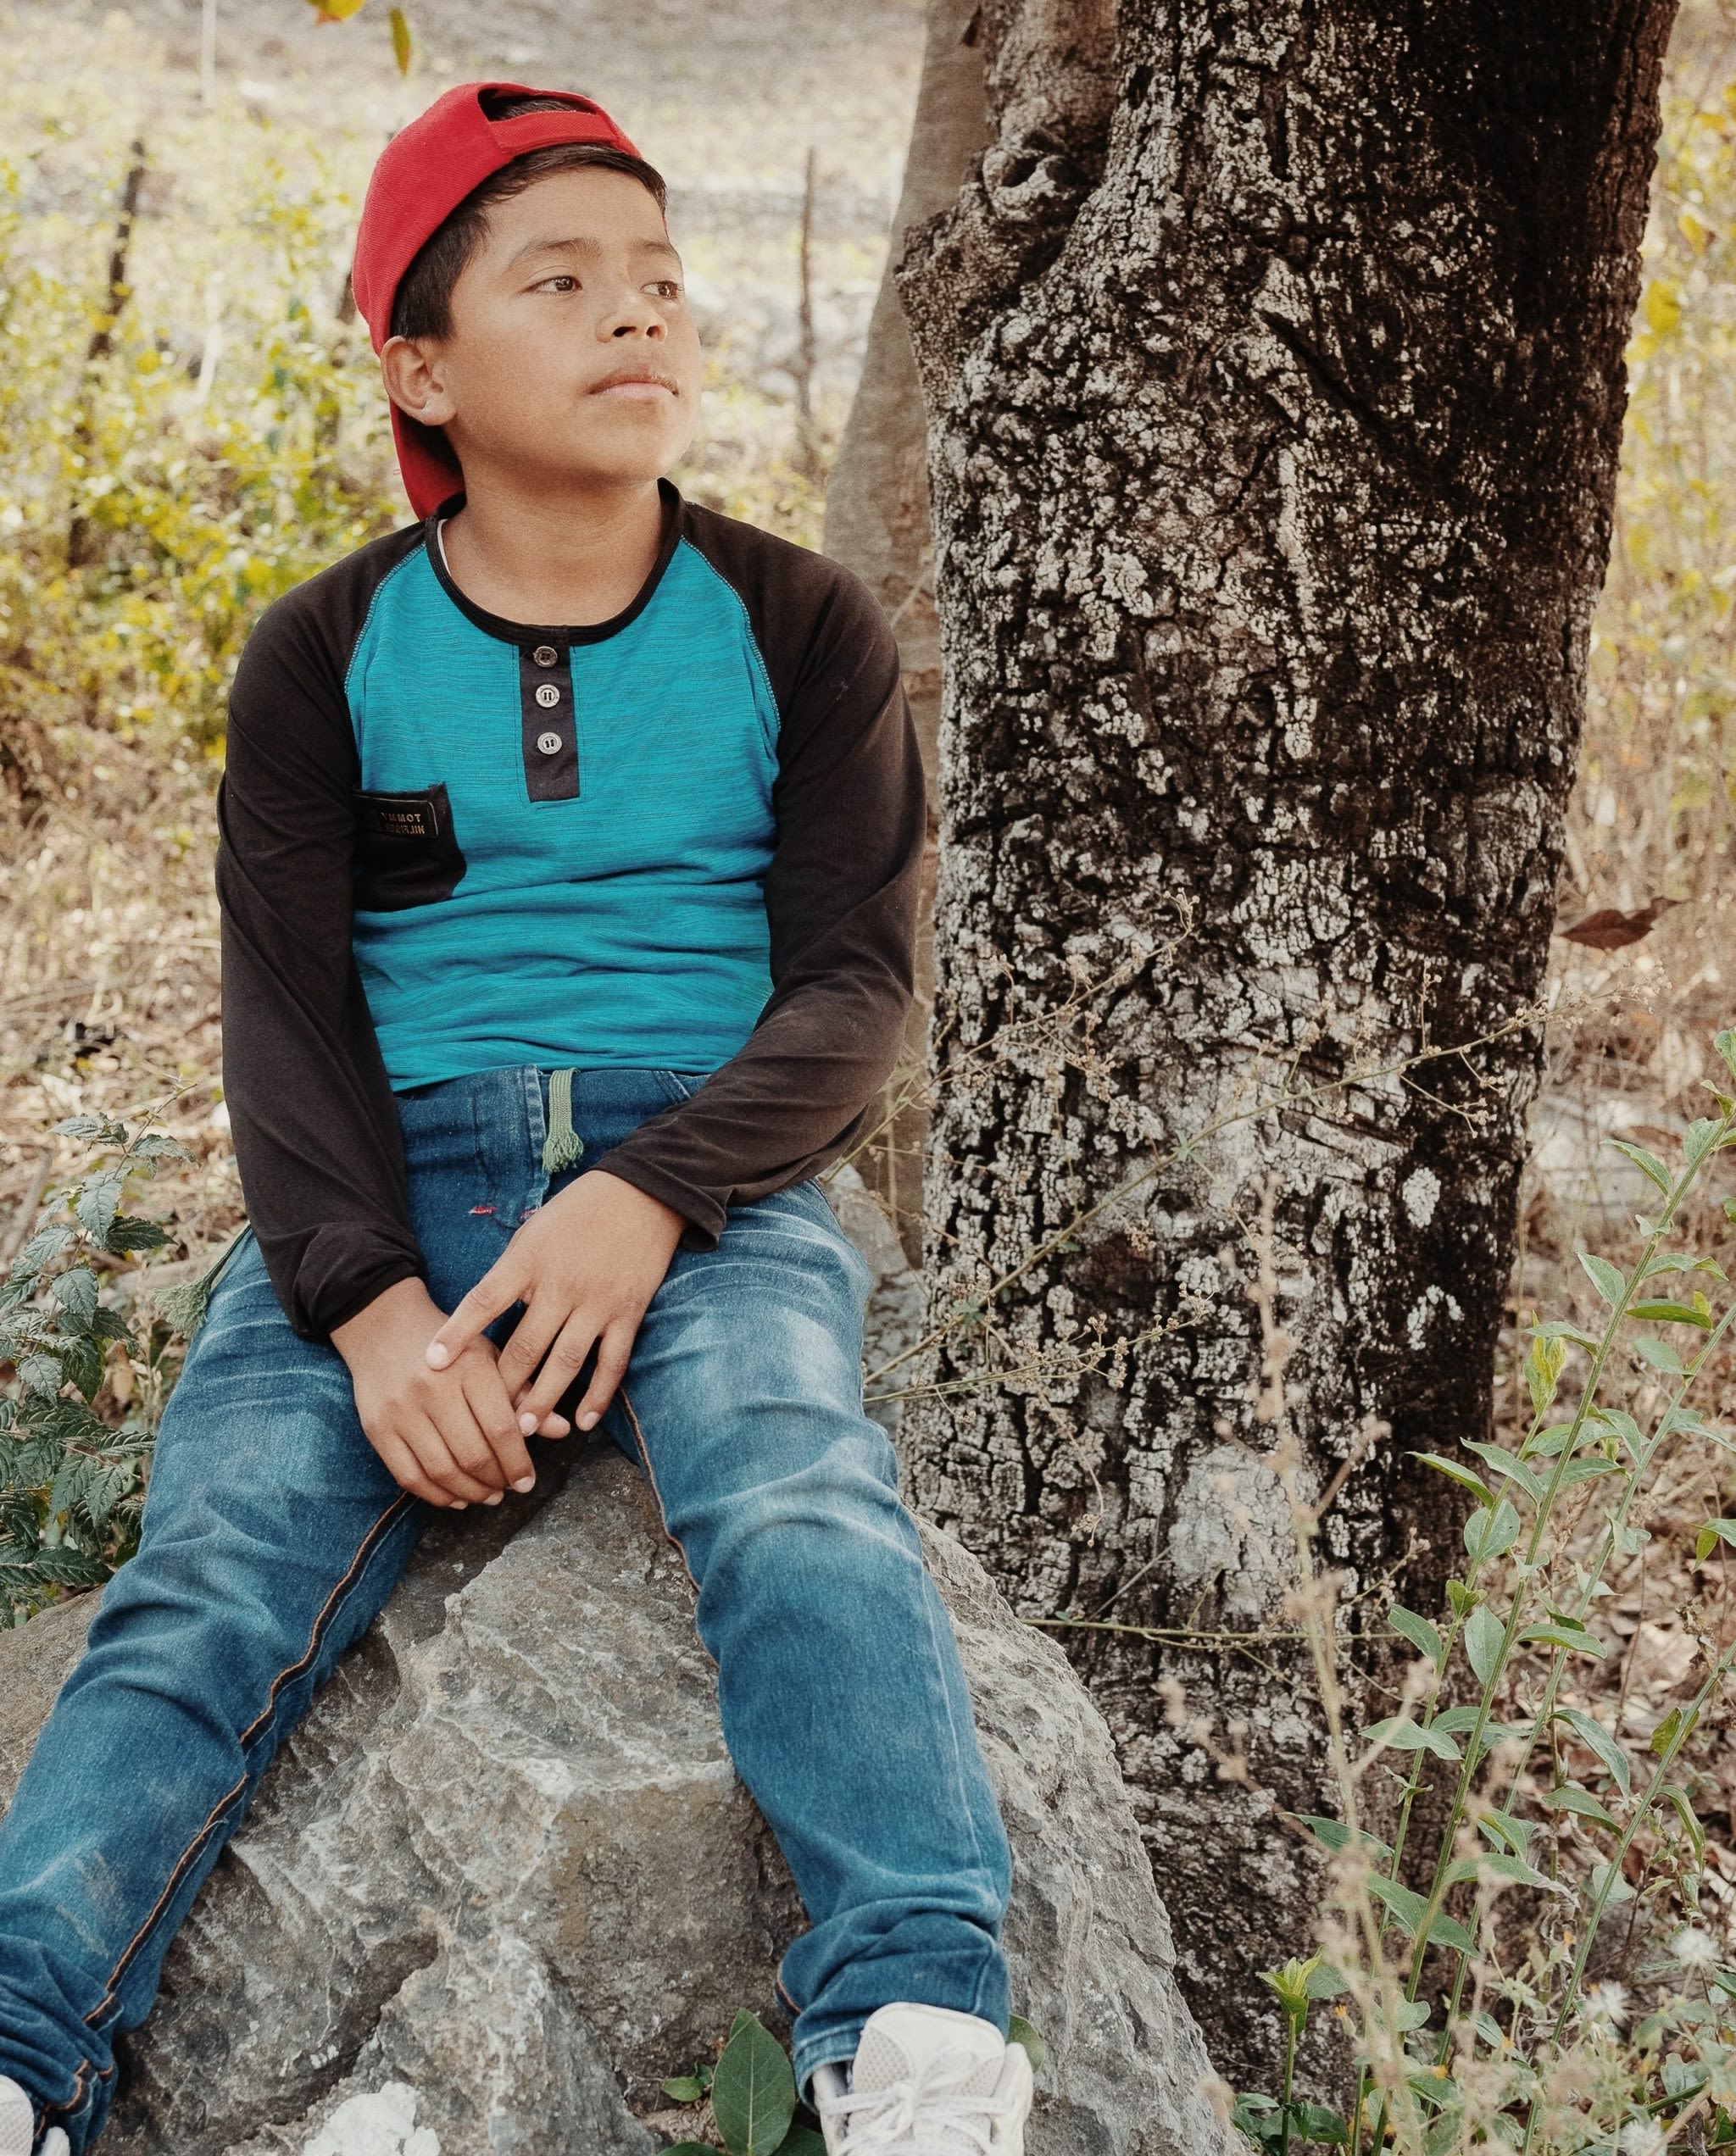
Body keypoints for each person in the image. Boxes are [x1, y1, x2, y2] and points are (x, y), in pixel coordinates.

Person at [0, 83, 1027, 2156]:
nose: (633, 317)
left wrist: (650, 1198)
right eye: (558, 282)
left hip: (709, 1183)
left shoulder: (797, 625)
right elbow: (285, 1022)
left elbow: (856, 992)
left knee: (798, 1495)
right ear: (422, 363)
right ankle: (19, 2047)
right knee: (212, 1575)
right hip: (400, 1177)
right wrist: (372, 1309)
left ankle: (920, 2027)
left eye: (658, 277)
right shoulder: (327, 650)